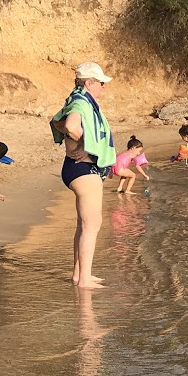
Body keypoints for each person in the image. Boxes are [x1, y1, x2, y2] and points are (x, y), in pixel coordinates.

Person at [51, 62, 115, 288]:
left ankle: (79, 274)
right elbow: (69, 125)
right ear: (88, 83)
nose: (103, 87)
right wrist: (86, 145)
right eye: (100, 83)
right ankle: (84, 280)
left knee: (83, 224)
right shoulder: (80, 101)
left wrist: (80, 142)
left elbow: (57, 122)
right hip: (83, 169)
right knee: (92, 225)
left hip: (77, 168)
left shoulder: (76, 99)